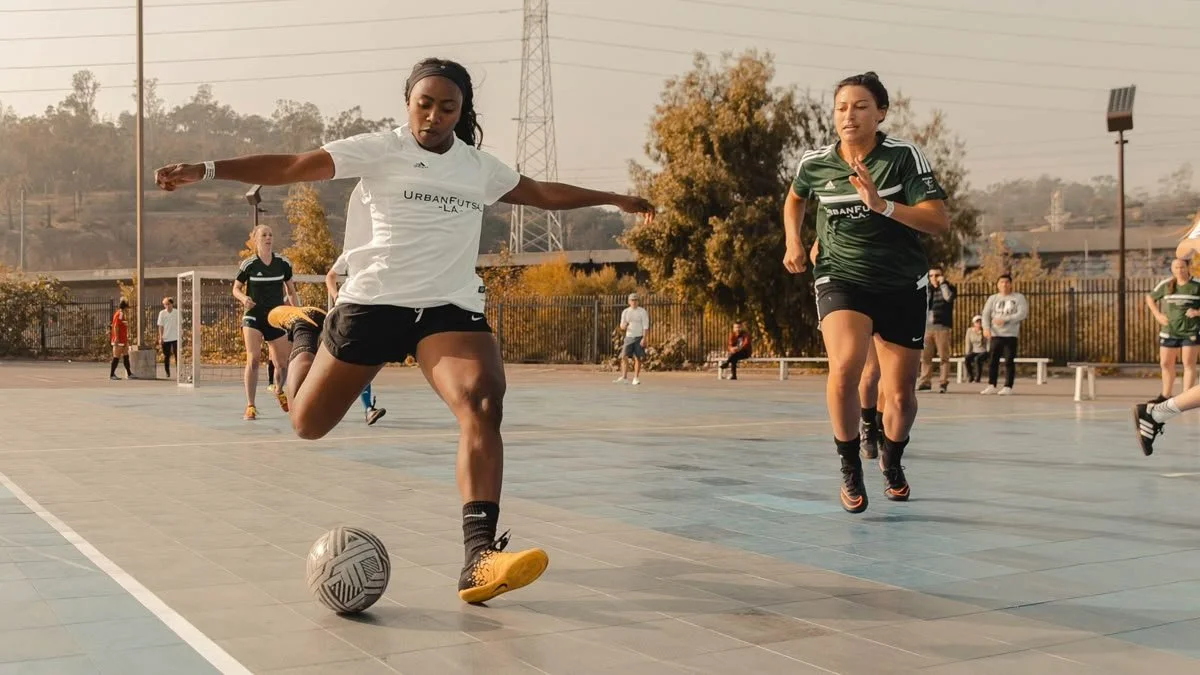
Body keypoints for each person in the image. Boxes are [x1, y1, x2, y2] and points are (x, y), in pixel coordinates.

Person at [153, 58, 655, 603]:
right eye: (425, 103)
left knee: (483, 402)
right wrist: (207, 168)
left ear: (462, 112)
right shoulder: (381, 149)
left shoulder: (478, 167)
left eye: (447, 107)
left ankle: (479, 557)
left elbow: (543, 193)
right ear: (408, 103)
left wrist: (616, 199)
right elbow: (295, 165)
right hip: (373, 305)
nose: (434, 116)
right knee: (306, 423)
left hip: (447, 309)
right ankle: (304, 333)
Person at [783, 71, 950, 513]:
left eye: (860, 107)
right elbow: (795, 197)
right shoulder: (815, 162)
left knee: (901, 396)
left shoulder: (903, 158)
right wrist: (794, 240)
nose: (849, 115)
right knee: (847, 368)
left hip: (900, 283)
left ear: (881, 113)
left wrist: (883, 206)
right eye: (841, 107)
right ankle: (849, 466)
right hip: (840, 276)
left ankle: (892, 460)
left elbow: (938, 221)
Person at [814, 240, 884, 460]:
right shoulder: (840, 217)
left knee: (893, 383)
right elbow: (816, 252)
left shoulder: (892, 214)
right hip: (855, 298)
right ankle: (868, 425)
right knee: (870, 373)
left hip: (892, 292)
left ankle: (883, 427)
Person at [325, 181, 387, 426]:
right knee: (345, 362)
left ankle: (368, 408)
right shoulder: (352, 252)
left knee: (364, 359)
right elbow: (330, 275)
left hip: (371, 310)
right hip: (350, 310)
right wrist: (336, 297)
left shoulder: (381, 250)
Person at [235, 225, 299, 420]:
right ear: (256, 239)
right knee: (253, 359)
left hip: (276, 317)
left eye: (271, 234)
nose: (268, 237)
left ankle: (279, 390)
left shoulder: (283, 263)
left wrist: (296, 314)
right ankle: (250, 406)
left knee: (282, 364)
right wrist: (243, 298)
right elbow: (236, 289)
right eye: (264, 235)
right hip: (253, 316)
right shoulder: (249, 265)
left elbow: (290, 291)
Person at [1144, 258, 1200, 404]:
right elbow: (1150, 298)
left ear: (1188, 268)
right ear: (1172, 269)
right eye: (1176, 268)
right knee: (1165, 363)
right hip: (1169, 330)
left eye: (1182, 267)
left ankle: (1186, 397)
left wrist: (1197, 312)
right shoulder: (1167, 284)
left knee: (1188, 363)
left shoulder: (1196, 285)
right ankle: (1165, 395)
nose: (1179, 270)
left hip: (1190, 331)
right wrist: (1157, 315)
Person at [980, 274, 1029, 395]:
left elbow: (1022, 313)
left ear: (1011, 284)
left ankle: (1008, 386)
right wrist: (986, 328)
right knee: (993, 360)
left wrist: (1006, 319)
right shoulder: (993, 298)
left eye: (1007, 282)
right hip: (995, 334)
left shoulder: (1018, 298)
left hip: (1010, 334)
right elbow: (985, 314)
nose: (1004, 285)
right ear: (997, 285)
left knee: (1009, 361)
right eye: (1001, 282)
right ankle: (991, 384)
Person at [918, 265, 955, 393]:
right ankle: (925, 382)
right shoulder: (927, 289)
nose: (934, 278)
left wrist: (943, 283)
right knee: (925, 357)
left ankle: (943, 383)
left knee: (943, 357)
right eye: (931, 275)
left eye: (937, 275)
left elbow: (948, 298)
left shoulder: (948, 287)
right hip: (927, 328)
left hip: (942, 327)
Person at [614, 293, 650, 386]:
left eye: (636, 300)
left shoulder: (642, 312)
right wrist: (624, 326)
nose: (634, 302)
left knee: (638, 358)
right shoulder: (625, 312)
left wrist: (644, 338)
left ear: (638, 301)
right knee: (624, 356)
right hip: (629, 337)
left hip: (639, 337)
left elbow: (645, 326)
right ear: (629, 301)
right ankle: (624, 377)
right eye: (632, 300)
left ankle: (636, 378)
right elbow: (622, 326)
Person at [109, 299, 135, 380]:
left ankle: (129, 373)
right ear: (125, 307)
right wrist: (116, 337)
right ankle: (112, 374)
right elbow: (116, 326)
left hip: (123, 339)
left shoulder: (122, 314)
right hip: (119, 339)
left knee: (126, 355)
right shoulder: (120, 314)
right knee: (116, 356)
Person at [156, 296, 179, 379]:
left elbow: (180, 324)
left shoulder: (176, 312)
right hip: (166, 338)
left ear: (172, 304)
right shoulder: (162, 313)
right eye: (165, 304)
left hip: (176, 337)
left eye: (168, 304)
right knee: (166, 356)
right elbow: (160, 326)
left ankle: (178, 371)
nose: (167, 306)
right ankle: (167, 371)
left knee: (177, 355)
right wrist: (161, 337)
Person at [963, 315, 989, 383]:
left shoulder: (985, 330)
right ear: (974, 323)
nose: (979, 323)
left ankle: (978, 378)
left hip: (984, 351)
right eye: (977, 322)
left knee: (977, 359)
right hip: (975, 351)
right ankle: (971, 377)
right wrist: (967, 352)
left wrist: (989, 351)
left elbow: (988, 342)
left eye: (980, 322)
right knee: (967, 358)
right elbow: (968, 342)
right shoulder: (969, 330)